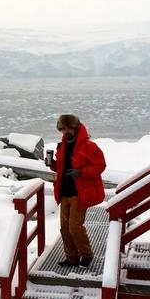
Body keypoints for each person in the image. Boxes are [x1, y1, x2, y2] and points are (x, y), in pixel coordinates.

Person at [46, 114, 106, 268]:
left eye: (70, 128)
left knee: (75, 226)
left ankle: (86, 255)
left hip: (80, 193)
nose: (67, 131)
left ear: (76, 127)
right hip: (64, 192)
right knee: (64, 228)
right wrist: (52, 164)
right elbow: (60, 167)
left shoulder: (89, 146)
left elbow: (100, 165)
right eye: (64, 128)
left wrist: (80, 173)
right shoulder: (62, 146)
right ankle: (72, 258)